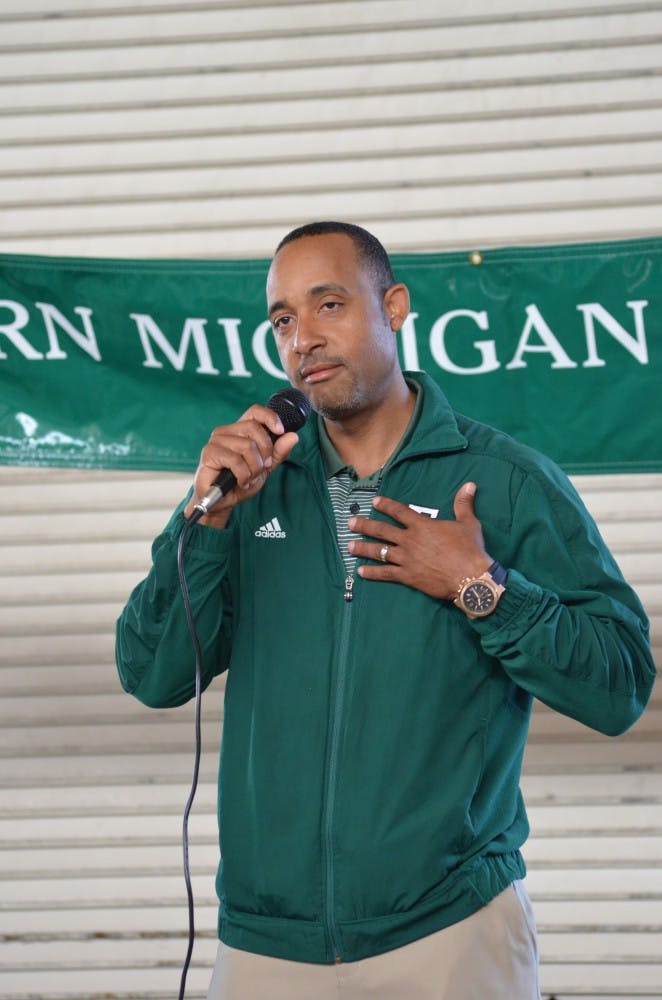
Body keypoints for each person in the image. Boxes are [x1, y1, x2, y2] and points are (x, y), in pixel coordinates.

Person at [116, 221, 656, 1000]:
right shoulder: (245, 487)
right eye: (283, 320)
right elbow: (150, 672)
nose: (303, 339)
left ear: (394, 306)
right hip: (267, 946)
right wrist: (208, 523)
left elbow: (619, 686)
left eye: (329, 304)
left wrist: (482, 587)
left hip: (451, 932)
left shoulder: (505, 482)